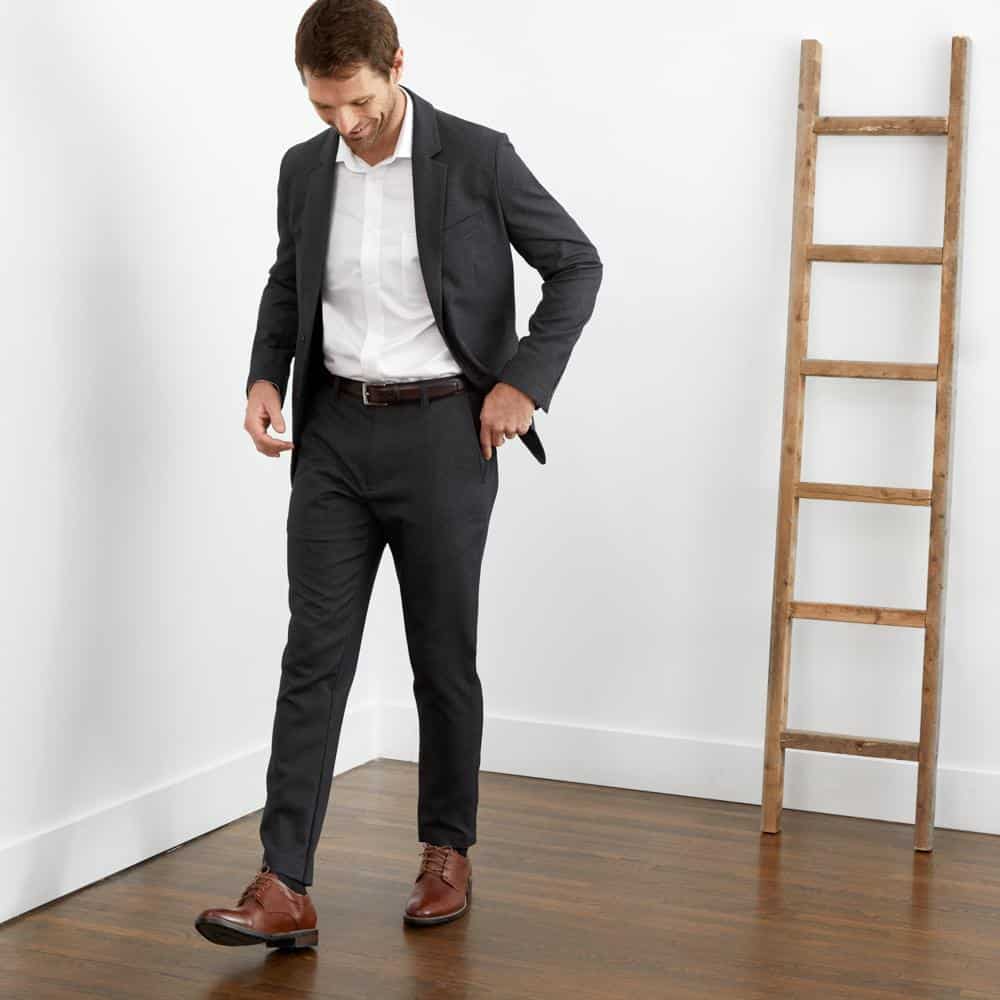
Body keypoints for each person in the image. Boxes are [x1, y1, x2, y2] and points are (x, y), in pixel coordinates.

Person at [195, 0, 602, 949]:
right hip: (335, 435)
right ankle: (283, 884)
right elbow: (289, 281)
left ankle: (446, 851)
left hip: (444, 437)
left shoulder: (477, 156)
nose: (345, 123)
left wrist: (523, 384)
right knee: (313, 656)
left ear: (397, 66)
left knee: (441, 657)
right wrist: (265, 374)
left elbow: (575, 265)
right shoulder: (304, 168)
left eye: (360, 103)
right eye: (323, 105)